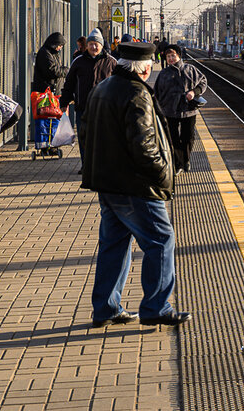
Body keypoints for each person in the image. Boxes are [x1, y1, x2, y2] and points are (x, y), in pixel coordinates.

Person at [80, 39, 189, 328]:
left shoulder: (102, 88)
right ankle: (156, 307)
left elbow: (86, 130)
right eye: (150, 65)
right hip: (135, 185)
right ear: (143, 69)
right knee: (161, 240)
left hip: (108, 182)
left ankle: (105, 308)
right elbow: (144, 146)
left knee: (114, 245)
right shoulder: (136, 94)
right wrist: (163, 173)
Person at [155, 44, 208, 173]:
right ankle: (178, 164)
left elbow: (203, 81)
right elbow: (157, 92)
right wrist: (158, 107)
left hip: (188, 110)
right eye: (168, 56)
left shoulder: (190, 70)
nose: (171, 59)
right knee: (172, 138)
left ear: (179, 56)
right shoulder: (163, 74)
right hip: (169, 110)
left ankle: (186, 159)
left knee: (188, 137)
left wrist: (194, 92)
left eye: (173, 55)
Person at [61, 29, 117, 125]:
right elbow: (70, 83)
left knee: (102, 139)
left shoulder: (111, 62)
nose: (93, 47)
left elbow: (118, 85)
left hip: (104, 110)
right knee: (84, 138)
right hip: (83, 108)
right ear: (87, 45)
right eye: (91, 44)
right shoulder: (78, 61)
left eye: (96, 44)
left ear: (101, 45)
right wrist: (64, 101)